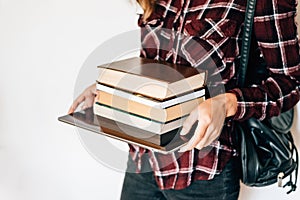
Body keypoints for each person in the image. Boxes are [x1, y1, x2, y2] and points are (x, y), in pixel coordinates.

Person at [68, 0, 300, 199]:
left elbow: (289, 83)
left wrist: (227, 103)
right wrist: (112, 90)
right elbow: (155, 66)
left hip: (202, 171)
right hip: (144, 160)